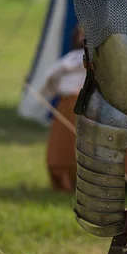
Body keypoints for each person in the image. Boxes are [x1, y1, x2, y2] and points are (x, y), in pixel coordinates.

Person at [40, 25, 85, 192]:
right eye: (81, 34)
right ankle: (64, 180)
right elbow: (50, 79)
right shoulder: (68, 60)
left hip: (90, 109)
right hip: (67, 107)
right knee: (62, 148)